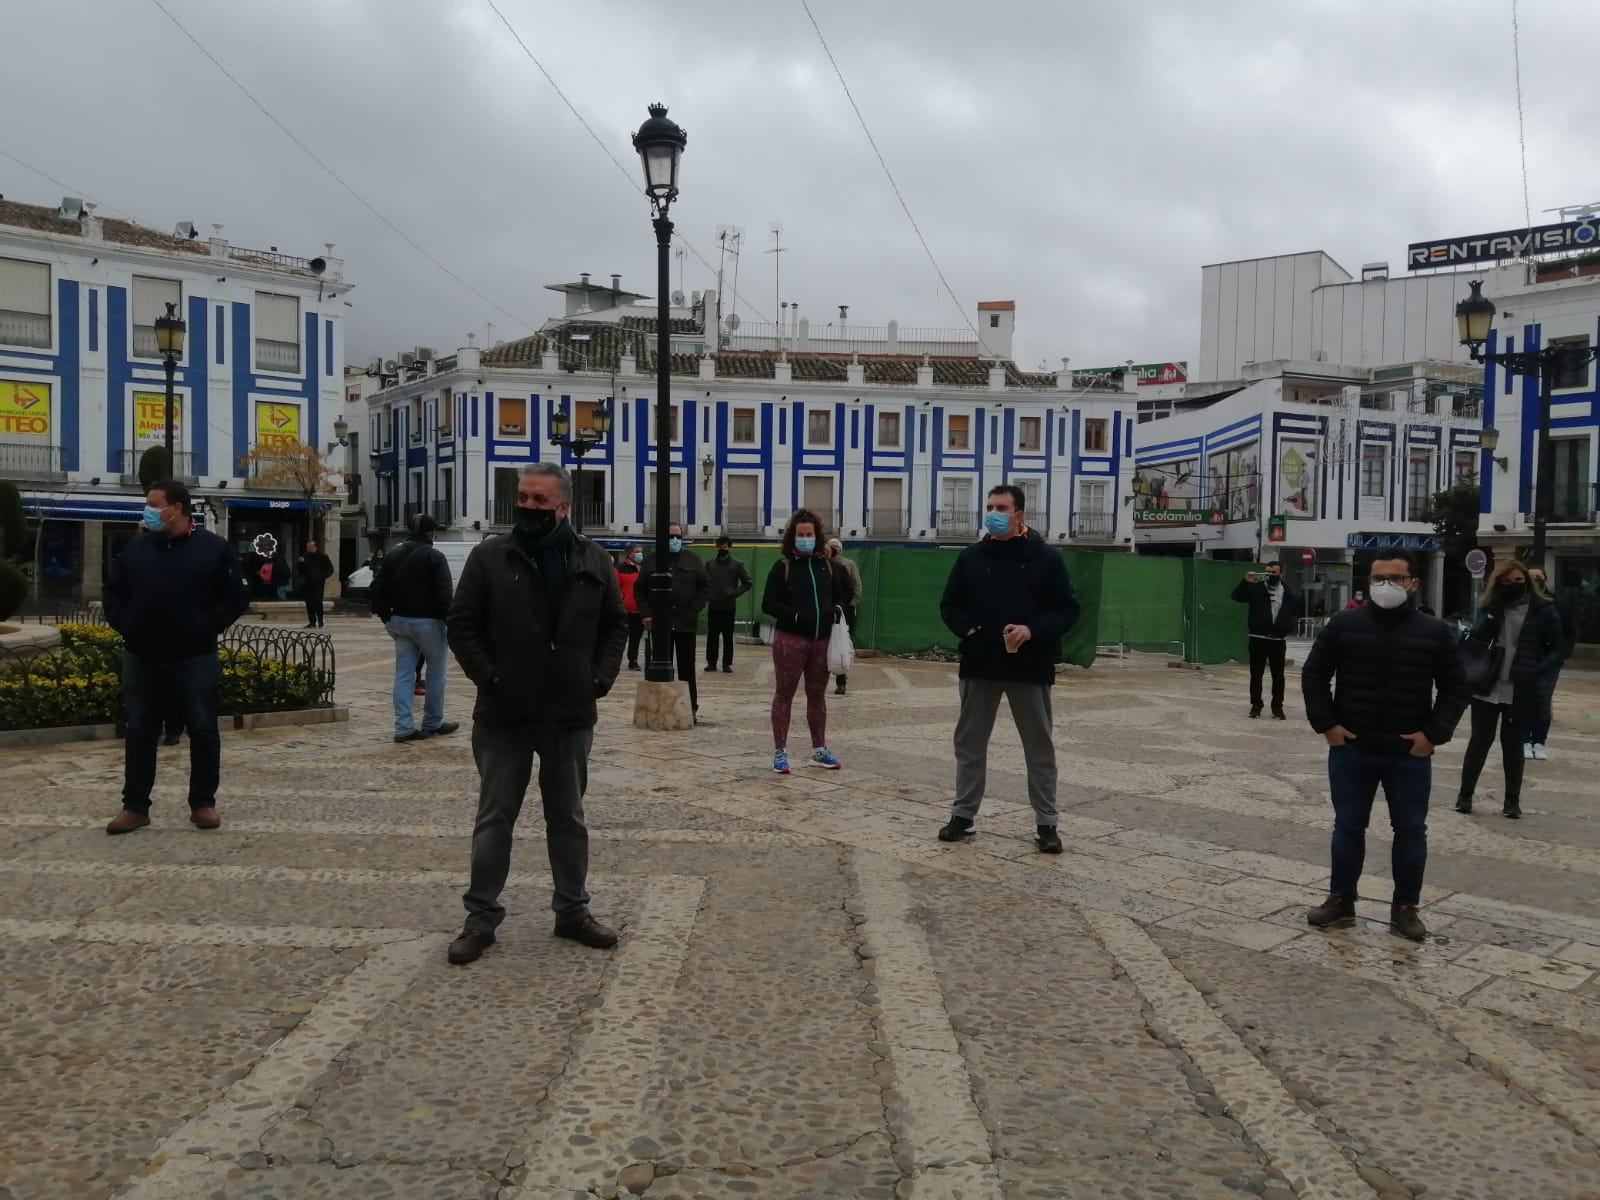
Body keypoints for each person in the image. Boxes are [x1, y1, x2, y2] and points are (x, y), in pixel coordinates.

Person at [445, 462, 628, 964]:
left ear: (563, 507)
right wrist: (492, 677)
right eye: (523, 497)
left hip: (570, 712)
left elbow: (616, 626)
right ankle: (480, 919)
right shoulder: (490, 557)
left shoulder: (594, 559)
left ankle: (572, 911)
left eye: (539, 500)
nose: (527, 506)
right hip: (504, 713)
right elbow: (462, 625)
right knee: (494, 818)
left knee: (568, 817)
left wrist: (598, 679)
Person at [1300, 549, 1470, 941]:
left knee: (1410, 830)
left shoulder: (1434, 631)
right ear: (1368, 583)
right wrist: (1328, 725)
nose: (1387, 586)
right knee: (1347, 827)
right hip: (1352, 749)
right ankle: (1341, 899)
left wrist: (1432, 736)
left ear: (1413, 583)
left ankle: (1406, 907)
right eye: (1379, 579)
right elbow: (1314, 674)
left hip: (1407, 753)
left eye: (1395, 578)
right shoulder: (1344, 625)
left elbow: (1456, 688)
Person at [936, 485, 1080, 854]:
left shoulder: (1046, 558)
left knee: (1039, 747)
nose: (993, 513)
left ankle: (1047, 823)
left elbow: (1067, 609)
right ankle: (963, 815)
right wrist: (969, 631)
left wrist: (1031, 630)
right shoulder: (970, 558)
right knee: (969, 744)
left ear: (1019, 514)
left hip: (1030, 665)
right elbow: (950, 605)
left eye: (1001, 507)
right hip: (980, 664)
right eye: (989, 507)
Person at [102, 479, 249, 835]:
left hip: (194, 655)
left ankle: (203, 804)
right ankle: (135, 806)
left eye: (154, 504)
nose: (148, 511)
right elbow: (114, 591)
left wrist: (208, 626)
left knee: (202, 728)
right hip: (142, 654)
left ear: (177, 508)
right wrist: (126, 624)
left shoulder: (214, 549)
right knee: (140, 730)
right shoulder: (136, 548)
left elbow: (235, 596)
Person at [1454, 561, 1565, 817]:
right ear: (1498, 583)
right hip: (1488, 682)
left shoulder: (1544, 610)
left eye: (1518, 581)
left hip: (1521, 685)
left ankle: (1512, 801)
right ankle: (1465, 796)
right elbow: (1478, 637)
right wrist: (1493, 611)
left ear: (1526, 581)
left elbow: (1558, 647)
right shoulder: (1490, 607)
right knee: (1479, 741)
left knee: (1513, 744)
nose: (1513, 586)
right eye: (1507, 582)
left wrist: (1539, 669)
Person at [762, 508, 848, 773]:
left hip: (821, 640)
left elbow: (841, 596)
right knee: (784, 695)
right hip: (790, 639)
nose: (805, 538)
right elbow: (769, 604)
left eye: (809, 534)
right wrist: (795, 615)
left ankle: (819, 750)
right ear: (792, 537)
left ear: (817, 536)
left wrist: (834, 610)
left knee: (817, 695)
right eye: (800, 535)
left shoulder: (828, 567)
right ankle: (780, 752)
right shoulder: (783, 567)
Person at [370, 513, 459, 744]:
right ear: (432, 533)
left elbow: (376, 588)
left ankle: (403, 727)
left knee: (404, 674)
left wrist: (386, 618)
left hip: (399, 620)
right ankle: (432, 722)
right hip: (429, 622)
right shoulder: (435, 557)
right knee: (436, 673)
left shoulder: (393, 555)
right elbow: (444, 595)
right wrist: (450, 623)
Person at [640, 523, 711, 717]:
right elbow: (640, 589)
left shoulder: (693, 559)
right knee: (660, 667)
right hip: (659, 624)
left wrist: (695, 608)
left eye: (678, 537)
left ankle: (691, 708)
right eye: (671, 536)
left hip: (685, 623)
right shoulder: (650, 560)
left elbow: (705, 585)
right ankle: (659, 708)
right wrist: (646, 612)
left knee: (687, 668)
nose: (675, 540)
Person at [1231, 561, 1299, 719]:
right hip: (1258, 638)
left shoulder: (1289, 593)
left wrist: (1288, 627)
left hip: (1278, 640)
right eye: (1268, 572)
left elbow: (1294, 612)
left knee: (1278, 675)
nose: (1271, 575)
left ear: (1281, 574)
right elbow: (1237, 596)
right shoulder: (1256, 588)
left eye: (1274, 573)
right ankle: (1256, 705)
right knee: (1256, 673)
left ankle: (1277, 707)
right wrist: (1246, 581)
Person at [1525, 565, 1578, 760]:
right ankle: (1524, 740)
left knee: (1543, 701)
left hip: (1550, 661)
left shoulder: (1558, 604)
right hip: (1525, 659)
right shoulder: (1521, 602)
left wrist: (1563, 653)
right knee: (1524, 702)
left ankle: (1539, 741)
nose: (1535, 581)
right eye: (1531, 577)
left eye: (1538, 577)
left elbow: (1571, 630)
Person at [705, 535, 753, 673]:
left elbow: (747, 583)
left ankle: (726, 664)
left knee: (727, 636)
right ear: (717, 546)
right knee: (712, 636)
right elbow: (704, 582)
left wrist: (734, 593)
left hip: (728, 607)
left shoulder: (737, 565)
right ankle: (711, 663)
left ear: (729, 547)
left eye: (725, 546)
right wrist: (708, 595)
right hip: (714, 606)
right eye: (721, 545)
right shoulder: (710, 565)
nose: (723, 548)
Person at [827, 538, 862, 695]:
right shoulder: (821, 566)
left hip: (843, 611)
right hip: (825, 611)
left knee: (841, 644)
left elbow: (855, 587)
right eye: (830, 547)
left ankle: (841, 681)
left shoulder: (847, 566)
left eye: (835, 548)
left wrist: (850, 606)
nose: (832, 550)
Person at [616, 544, 645, 670]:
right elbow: (615, 588)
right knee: (619, 638)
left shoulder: (644, 568)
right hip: (624, 610)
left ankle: (632, 661)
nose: (640, 554)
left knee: (636, 638)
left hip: (640, 610)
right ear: (629, 553)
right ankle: (614, 661)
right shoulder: (620, 569)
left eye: (641, 552)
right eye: (637, 552)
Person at [297, 538, 335, 628]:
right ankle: (312, 622)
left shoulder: (323, 557)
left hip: (318, 583)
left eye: (310, 547)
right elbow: (298, 568)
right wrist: (300, 562)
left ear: (315, 547)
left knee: (318, 601)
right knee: (309, 603)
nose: (309, 549)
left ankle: (321, 620)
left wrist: (322, 576)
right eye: (307, 547)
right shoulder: (305, 557)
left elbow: (330, 569)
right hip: (307, 583)